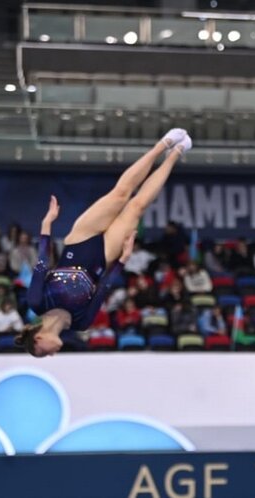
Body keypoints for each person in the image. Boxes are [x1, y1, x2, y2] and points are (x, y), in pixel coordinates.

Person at [16, 129, 192, 357]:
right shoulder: (81, 323)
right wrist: (122, 261)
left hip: (79, 242)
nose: (52, 355)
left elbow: (41, 263)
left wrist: (47, 224)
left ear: (38, 340)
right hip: (103, 258)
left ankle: (163, 144)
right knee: (137, 206)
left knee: (120, 194)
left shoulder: (37, 303)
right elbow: (103, 289)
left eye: (44, 353)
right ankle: (176, 152)